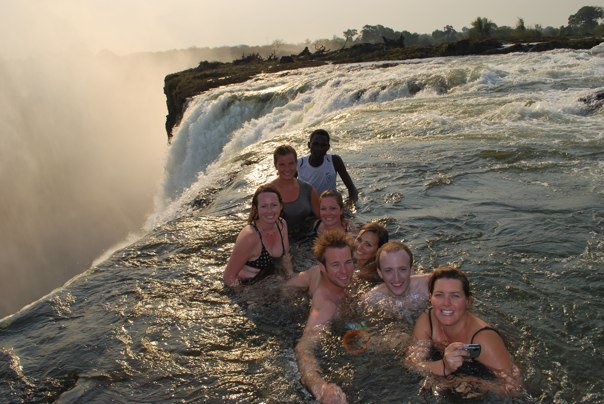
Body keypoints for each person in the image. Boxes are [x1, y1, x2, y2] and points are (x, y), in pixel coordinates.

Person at [405, 266, 522, 396]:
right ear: (430, 297)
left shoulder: (484, 339)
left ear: (468, 301)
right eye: (439, 295)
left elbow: (514, 388)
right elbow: (412, 363)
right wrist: (444, 366)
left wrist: (468, 382)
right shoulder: (427, 320)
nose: (446, 303)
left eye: (455, 296)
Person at [294, 231, 356, 403]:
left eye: (348, 262)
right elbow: (303, 348)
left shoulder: (326, 274)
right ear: (323, 267)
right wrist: (321, 387)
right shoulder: (326, 305)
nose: (345, 271)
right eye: (336, 265)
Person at [223, 184, 293, 287]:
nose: (269, 211)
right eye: (264, 206)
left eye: (274, 205)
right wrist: (244, 297)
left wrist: (290, 277)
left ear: (281, 206)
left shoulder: (281, 224)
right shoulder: (250, 236)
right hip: (248, 287)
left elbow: (285, 257)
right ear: (256, 208)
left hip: (270, 283)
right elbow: (228, 277)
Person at [362, 241, 430, 316]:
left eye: (402, 269)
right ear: (380, 273)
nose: (396, 278)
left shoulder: (428, 286)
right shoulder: (372, 299)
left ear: (411, 270)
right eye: (388, 271)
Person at [270, 145, 319, 238]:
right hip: (277, 242)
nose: (287, 169)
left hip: (306, 240)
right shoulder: (266, 192)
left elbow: (323, 217)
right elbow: (253, 224)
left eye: (291, 163)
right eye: (282, 164)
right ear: (275, 165)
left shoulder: (308, 189)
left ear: (296, 163)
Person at [297, 129, 359, 202]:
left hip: (328, 204)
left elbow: (352, 189)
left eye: (323, 145)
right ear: (309, 145)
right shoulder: (298, 164)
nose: (319, 148)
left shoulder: (335, 161)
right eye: (315, 144)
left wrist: (350, 206)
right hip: (308, 205)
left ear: (328, 147)